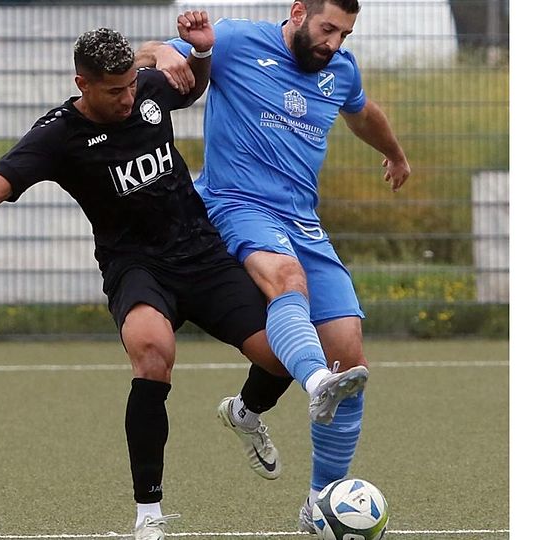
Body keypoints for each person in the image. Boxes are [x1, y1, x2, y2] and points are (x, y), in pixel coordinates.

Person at [0, 17, 360, 539]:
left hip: (201, 252)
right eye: (114, 90)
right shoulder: (57, 135)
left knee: (281, 357)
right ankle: (149, 515)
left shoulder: (147, 89)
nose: (127, 98)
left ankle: (244, 411)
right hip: (136, 267)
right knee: (152, 353)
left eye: (129, 86)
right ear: (83, 85)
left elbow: (192, 87)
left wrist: (201, 57)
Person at [136, 0, 411, 532]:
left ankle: (317, 506)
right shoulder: (238, 40)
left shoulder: (340, 69)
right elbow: (153, 51)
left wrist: (396, 154)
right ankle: (313, 384)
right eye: (328, 28)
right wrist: (163, 60)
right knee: (288, 282)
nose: (334, 42)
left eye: (344, 34)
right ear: (299, 11)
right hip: (235, 204)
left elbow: (364, 111)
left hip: (302, 220)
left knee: (351, 360)